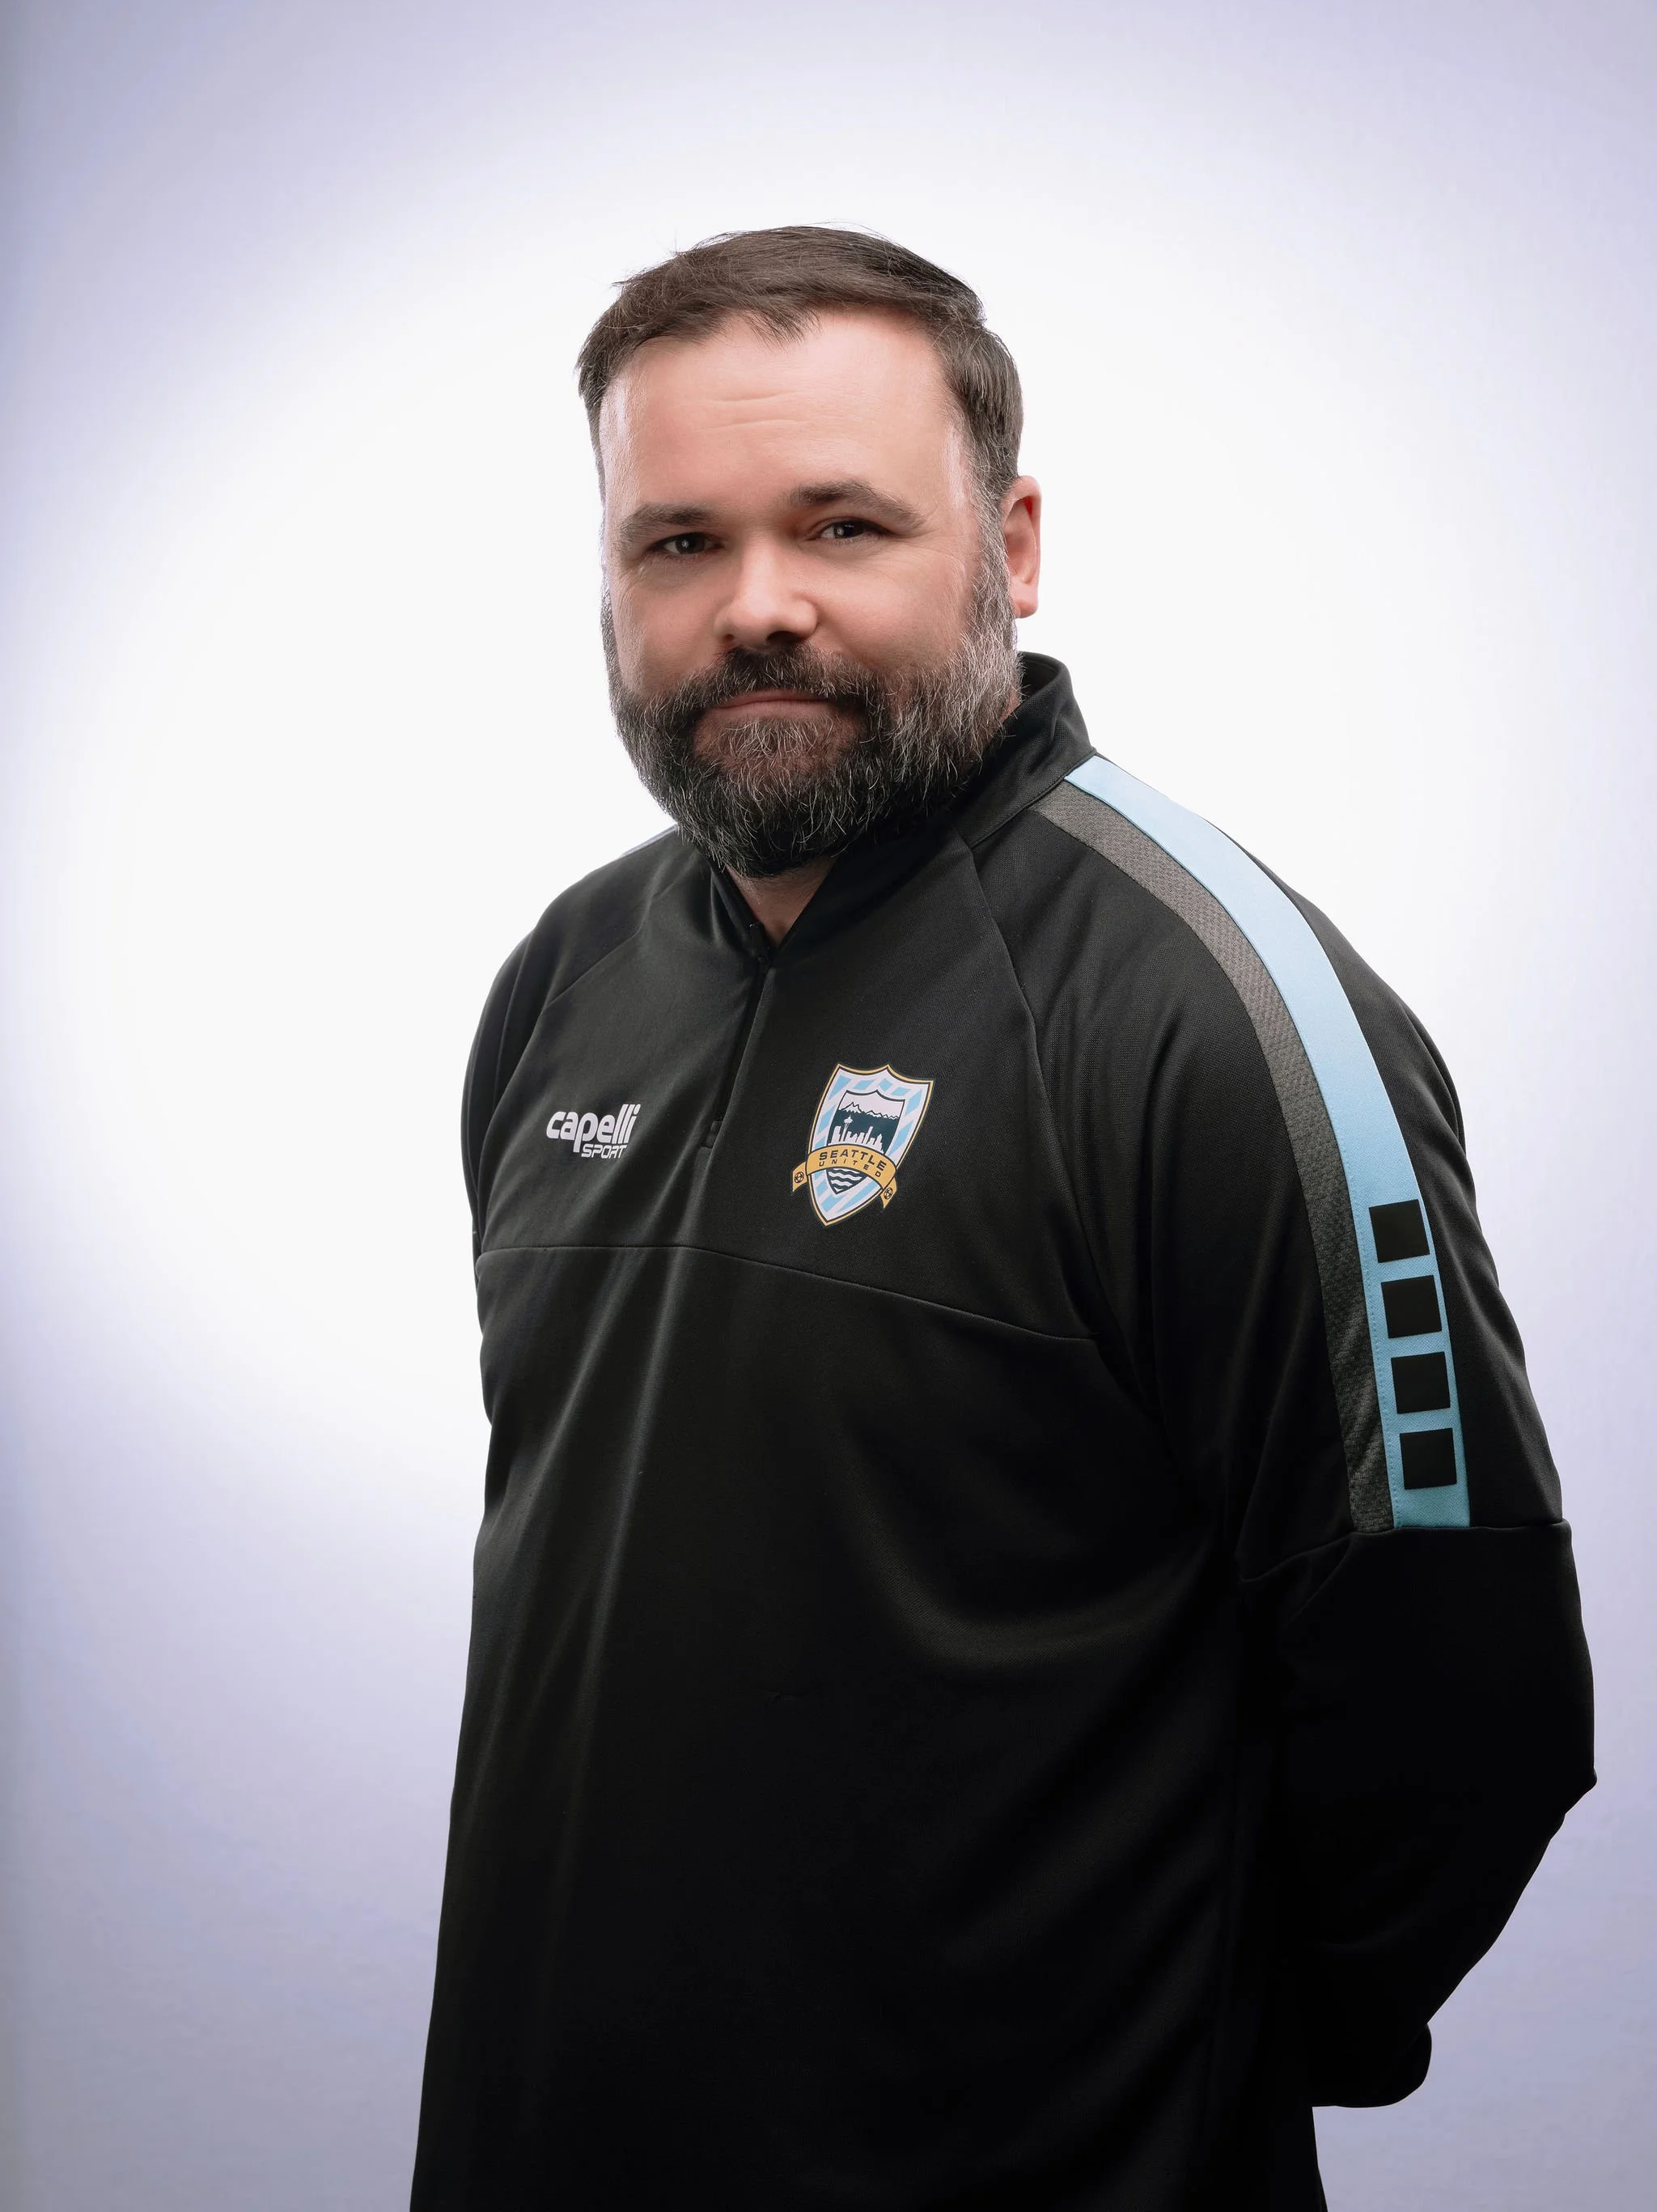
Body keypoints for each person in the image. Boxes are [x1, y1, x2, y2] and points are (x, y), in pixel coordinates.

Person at [411, 227, 1593, 2210]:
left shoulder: (1213, 1016)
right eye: (676, 544)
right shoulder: (566, 977)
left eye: (845, 526)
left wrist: (1130, 2065)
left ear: (1011, 546)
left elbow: (1457, 1686)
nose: (754, 607)